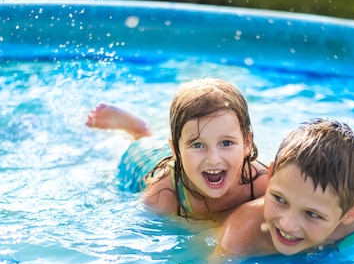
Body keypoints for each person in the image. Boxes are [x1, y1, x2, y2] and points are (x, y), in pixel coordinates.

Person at [217, 118, 354, 256]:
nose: (288, 224)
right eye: (280, 199)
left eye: (312, 214)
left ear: (350, 213)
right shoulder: (241, 234)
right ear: (270, 177)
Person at [86, 78, 269, 220]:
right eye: (197, 145)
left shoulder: (260, 182)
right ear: (176, 150)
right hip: (143, 157)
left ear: (246, 143)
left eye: (226, 143)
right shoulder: (163, 195)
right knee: (122, 153)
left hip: (186, 160)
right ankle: (140, 132)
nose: (214, 158)